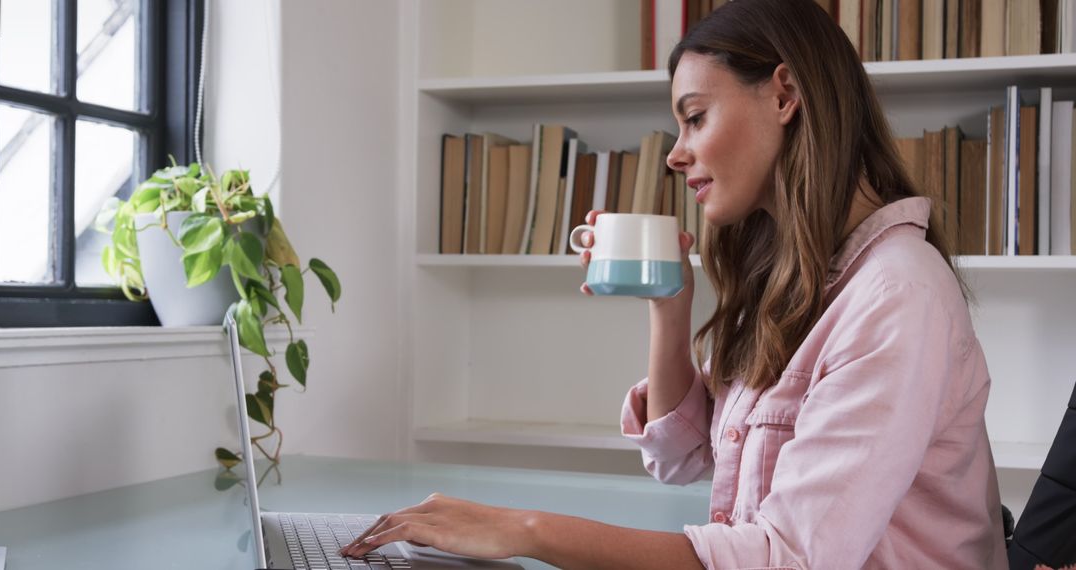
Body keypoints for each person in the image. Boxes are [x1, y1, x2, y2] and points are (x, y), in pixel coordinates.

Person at [342, 0, 1007, 567]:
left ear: (784, 94)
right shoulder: (796, 277)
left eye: (695, 116)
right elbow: (683, 455)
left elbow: (790, 558)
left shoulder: (896, 294)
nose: (675, 152)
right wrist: (670, 304)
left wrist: (523, 531)